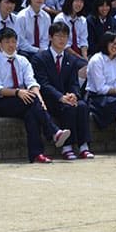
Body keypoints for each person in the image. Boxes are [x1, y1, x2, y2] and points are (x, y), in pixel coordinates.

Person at [0, 27, 71, 163]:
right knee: (31, 103)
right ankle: (54, 132)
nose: (11, 45)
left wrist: (40, 99)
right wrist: (18, 92)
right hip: (0, 101)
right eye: (7, 42)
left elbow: (32, 82)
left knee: (32, 113)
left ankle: (36, 154)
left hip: (24, 99)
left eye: (14, 41)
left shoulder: (23, 61)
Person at [32, 22, 94, 160]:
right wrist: (60, 97)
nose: (62, 39)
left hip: (67, 97)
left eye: (65, 36)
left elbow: (74, 82)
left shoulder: (70, 59)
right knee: (68, 108)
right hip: (50, 99)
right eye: (58, 36)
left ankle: (84, 146)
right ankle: (67, 147)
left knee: (82, 105)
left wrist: (74, 95)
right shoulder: (40, 58)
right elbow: (43, 84)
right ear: (50, 37)